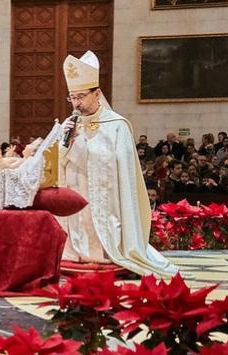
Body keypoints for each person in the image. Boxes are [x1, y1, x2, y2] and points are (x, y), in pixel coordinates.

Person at [59, 51, 175, 276]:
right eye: (72, 97)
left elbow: (115, 165)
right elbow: (58, 162)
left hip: (105, 194)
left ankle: (106, 254)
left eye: (81, 96)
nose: (76, 103)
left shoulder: (117, 125)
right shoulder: (70, 124)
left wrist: (82, 145)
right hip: (77, 189)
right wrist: (64, 144)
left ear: (97, 93)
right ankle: (78, 254)